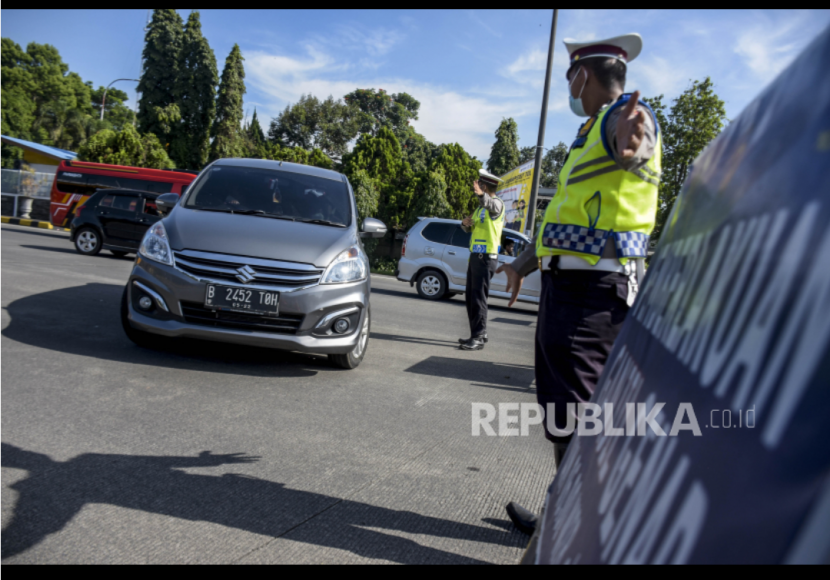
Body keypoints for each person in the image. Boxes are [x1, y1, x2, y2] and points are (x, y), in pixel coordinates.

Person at [497, 33, 661, 535]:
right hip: (571, 291)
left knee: (578, 419)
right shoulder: (589, 132)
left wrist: (635, 149)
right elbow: (563, 222)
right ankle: (563, 517)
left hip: (593, 297)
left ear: (582, 75)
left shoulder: (622, 117)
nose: (569, 86)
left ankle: (576, 532)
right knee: (567, 415)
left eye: (571, 76)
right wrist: (523, 265)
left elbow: (635, 145)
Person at [458, 168, 505, 351]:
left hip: (486, 258)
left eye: (479, 184)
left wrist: (481, 196)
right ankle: (478, 333)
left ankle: (477, 337)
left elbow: (491, 206)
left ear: (484, 186)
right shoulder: (479, 209)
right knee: (471, 297)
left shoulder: (497, 204)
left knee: (478, 298)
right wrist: (465, 224)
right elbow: (471, 228)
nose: (476, 187)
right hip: (475, 257)